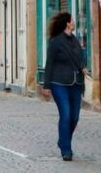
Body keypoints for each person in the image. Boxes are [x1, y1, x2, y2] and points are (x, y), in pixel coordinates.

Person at [41, 11, 87, 162]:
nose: (74, 22)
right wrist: (46, 86)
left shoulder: (75, 39)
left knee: (74, 117)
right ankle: (66, 149)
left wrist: (83, 67)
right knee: (66, 115)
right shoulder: (55, 42)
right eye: (72, 20)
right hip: (59, 82)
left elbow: (80, 58)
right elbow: (49, 64)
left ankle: (63, 139)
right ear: (67, 23)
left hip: (76, 83)